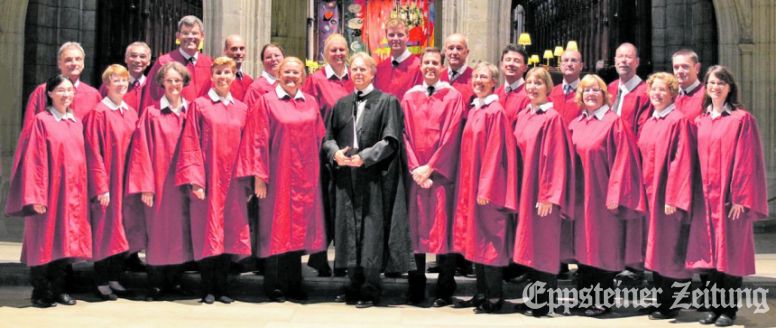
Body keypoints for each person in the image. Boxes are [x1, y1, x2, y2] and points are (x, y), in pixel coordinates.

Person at [323, 52, 414, 308]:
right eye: (354, 69)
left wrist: (365, 156)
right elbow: (328, 138)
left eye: (363, 69)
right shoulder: (340, 104)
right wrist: (335, 153)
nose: (358, 73)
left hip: (373, 177)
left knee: (371, 232)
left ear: (373, 73)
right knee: (348, 230)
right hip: (346, 178)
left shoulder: (388, 102)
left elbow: (391, 140)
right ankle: (353, 284)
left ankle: (371, 288)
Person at [237, 57, 327, 302]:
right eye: (286, 72)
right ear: (278, 74)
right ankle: (274, 284)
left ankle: (294, 284)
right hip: (277, 176)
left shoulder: (309, 102)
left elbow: (319, 137)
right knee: (276, 229)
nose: (291, 76)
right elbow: (256, 141)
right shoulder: (266, 102)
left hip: (305, 178)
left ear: (303, 77)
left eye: (296, 73)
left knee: (297, 231)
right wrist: (258, 178)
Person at [686, 65, 768, 327]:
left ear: (730, 87)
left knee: (729, 255)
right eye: (711, 82)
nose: (715, 86)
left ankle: (728, 311)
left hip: (730, 200)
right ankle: (711, 308)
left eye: (721, 82)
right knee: (707, 256)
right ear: (706, 88)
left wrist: (741, 197)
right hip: (704, 199)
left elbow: (747, 161)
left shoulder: (742, 120)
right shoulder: (700, 121)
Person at [5, 75, 92, 307]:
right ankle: (41, 291)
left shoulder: (76, 122)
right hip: (48, 194)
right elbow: (35, 162)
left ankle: (59, 290)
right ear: (50, 94)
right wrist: (36, 196)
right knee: (43, 242)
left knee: (65, 242)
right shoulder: (41, 121)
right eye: (60, 91)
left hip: (71, 194)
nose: (66, 95)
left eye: (69, 91)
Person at [175, 56, 252, 304]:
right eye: (218, 72)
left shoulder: (241, 108)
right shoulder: (200, 105)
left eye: (227, 72)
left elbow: (249, 147)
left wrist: (249, 181)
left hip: (234, 182)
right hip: (209, 180)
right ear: (211, 76)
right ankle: (208, 287)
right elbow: (190, 143)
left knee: (229, 232)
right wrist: (195, 179)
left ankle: (223, 286)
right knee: (207, 232)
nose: (222, 77)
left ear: (233, 76)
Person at [568, 74, 646, 317]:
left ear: (605, 95)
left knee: (602, 248)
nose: (591, 94)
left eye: (596, 90)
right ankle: (583, 298)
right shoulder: (576, 123)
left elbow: (624, 161)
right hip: (581, 198)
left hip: (603, 198)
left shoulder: (614, 123)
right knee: (583, 249)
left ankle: (602, 300)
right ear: (580, 96)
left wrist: (616, 195)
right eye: (586, 90)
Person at [451, 62, 519, 314]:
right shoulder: (476, 109)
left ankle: (494, 297)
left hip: (487, 191)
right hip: (472, 186)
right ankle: (481, 293)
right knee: (476, 240)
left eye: (484, 77)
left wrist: (486, 188)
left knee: (490, 241)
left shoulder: (495, 112)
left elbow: (495, 153)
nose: (478, 80)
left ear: (494, 82)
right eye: (476, 76)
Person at [402, 47, 465, 307]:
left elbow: (452, 135)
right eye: (425, 62)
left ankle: (444, 288)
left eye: (434, 63)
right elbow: (404, 133)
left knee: (443, 232)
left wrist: (431, 168)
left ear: (441, 66)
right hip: (416, 176)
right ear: (420, 66)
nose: (429, 66)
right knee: (415, 232)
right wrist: (416, 168)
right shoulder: (408, 97)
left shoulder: (452, 96)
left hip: (440, 177)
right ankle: (415, 287)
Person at [126, 62, 193, 301]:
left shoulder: (191, 112)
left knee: (180, 233)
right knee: (157, 232)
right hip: (157, 183)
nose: (174, 85)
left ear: (184, 83)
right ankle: (155, 284)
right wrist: (145, 185)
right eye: (169, 80)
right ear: (161, 83)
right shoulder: (151, 113)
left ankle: (175, 282)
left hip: (182, 184)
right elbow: (141, 150)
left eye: (178, 80)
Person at [512, 67, 575, 317]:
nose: (532, 87)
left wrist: (549, 194)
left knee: (544, 246)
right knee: (530, 245)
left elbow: (556, 158)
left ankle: (544, 302)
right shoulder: (525, 115)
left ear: (548, 88)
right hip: (525, 190)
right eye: (528, 82)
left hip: (542, 193)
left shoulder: (552, 118)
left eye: (538, 83)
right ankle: (533, 298)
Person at [636, 72, 695, 320]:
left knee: (670, 249)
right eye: (654, 90)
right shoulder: (650, 122)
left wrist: (674, 197)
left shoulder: (678, 121)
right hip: (650, 196)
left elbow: (681, 161)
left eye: (663, 90)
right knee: (656, 249)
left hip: (667, 199)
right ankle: (660, 300)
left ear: (672, 93)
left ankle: (671, 304)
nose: (657, 94)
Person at [83, 64, 139, 301]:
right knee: (105, 229)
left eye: (124, 80)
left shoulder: (131, 112)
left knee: (122, 228)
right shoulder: (99, 113)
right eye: (115, 80)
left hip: (126, 181)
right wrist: (100, 186)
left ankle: (115, 276)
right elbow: (93, 152)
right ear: (106, 84)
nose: (121, 84)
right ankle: (101, 279)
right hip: (108, 181)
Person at [302, 33, 354, 277]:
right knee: (323, 206)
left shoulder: (356, 78)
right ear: (325, 53)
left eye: (342, 50)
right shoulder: (315, 80)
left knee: (346, 208)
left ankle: (343, 260)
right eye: (333, 50)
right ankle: (319, 257)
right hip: (324, 151)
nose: (338, 54)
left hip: (352, 154)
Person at [23, 42, 101, 130]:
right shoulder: (42, 91)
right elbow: (29, 129)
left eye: (78, 59)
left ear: (83, 63)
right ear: (59, 64)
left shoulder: (93, 95)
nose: (74, 63)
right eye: (68, 60)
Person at [142, 15, 212, 110]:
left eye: (195, 33)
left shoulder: (210, 63)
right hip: (173, 119)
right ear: (178, 36)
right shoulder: (163, 62)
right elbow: (150, 97)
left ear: (202, 36)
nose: (190, 37)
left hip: (201, 119)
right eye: (185, 33)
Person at [608, 42, 652, 137]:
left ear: (637, 62)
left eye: (628, 57)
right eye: (620, 56)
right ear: (615, 61)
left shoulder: (645, 93)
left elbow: (643, 132)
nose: (623, 60)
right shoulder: (610, 88)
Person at [374, 18, 421, 99]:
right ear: (386, 37)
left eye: (400, 35)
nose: (395, 39)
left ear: (407, 37)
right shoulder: (380, 68)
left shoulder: (418, 67)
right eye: (391, 35)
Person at [100, 42, 152, 114]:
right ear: (126, 59)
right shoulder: (110, 85)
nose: (137, 60)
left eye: (142, 57)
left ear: (148, 61)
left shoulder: (152, 88)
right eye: (133, 56)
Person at [244, 43, 286, 109]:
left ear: (284, 58)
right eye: (268, 57)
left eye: (277, 55)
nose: (273, 59)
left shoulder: (291, 84)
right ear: (263, 62)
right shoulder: (256, 88)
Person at [496, 44, 530, 123]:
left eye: (516, 61)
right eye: (508, 59)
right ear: (501, 65)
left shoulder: (529, 96)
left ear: (525, 68)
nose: (511, 64)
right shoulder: (495, 94)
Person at [550, 49, 584, 125]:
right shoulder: (551, 92)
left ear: (581, 66)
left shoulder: (586, 93)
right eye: (565, 60)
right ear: (561, 65)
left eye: (573, 60)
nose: (569, 64)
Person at [441, 33, 474, 111]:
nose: (454, 52)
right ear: (445, 52)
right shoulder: (438, 77)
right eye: (451, 48)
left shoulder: (475, 79)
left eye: (459, 48)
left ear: (467, 52)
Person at [672, 49, 705, 121]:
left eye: (685, 66)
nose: (680, 71)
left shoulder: (707, 95)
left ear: (697, 68)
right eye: (676, 67)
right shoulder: (670, 95)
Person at [221, 34, 253, 101]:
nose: (239, 52)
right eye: (234, 49)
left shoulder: (249, 81)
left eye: (241, 49)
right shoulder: (219, 79)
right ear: (225, 51)